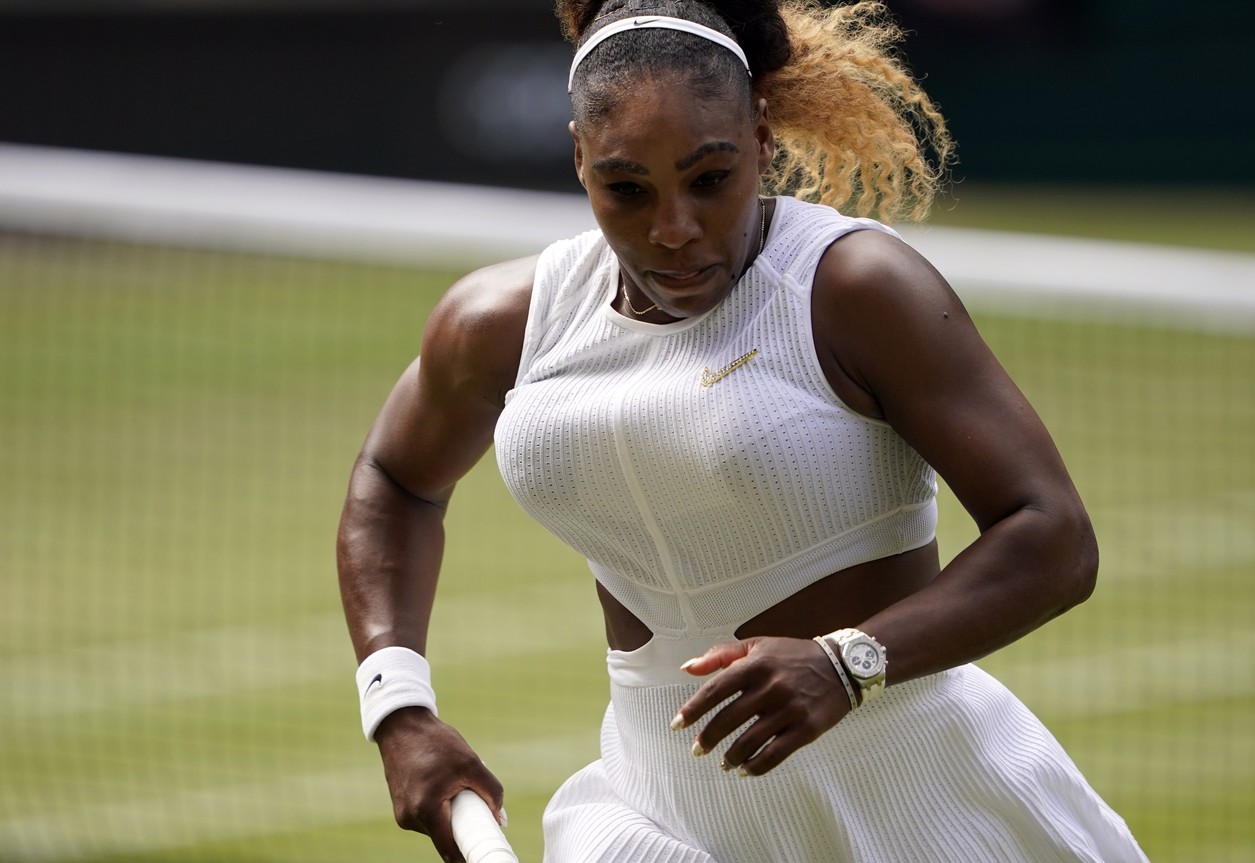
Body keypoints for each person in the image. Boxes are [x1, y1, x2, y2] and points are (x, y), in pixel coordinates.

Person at [338, 0, 1150, 860]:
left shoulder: (856, 288)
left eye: (709, 178)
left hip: (921, 800)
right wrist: (398, 705)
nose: (674, 229)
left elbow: (1053, 535)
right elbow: (393, 479)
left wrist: (849, 661)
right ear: (579, 157)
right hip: (661, 816)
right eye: (627, 188)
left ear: (761, 139)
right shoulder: (499, 322)